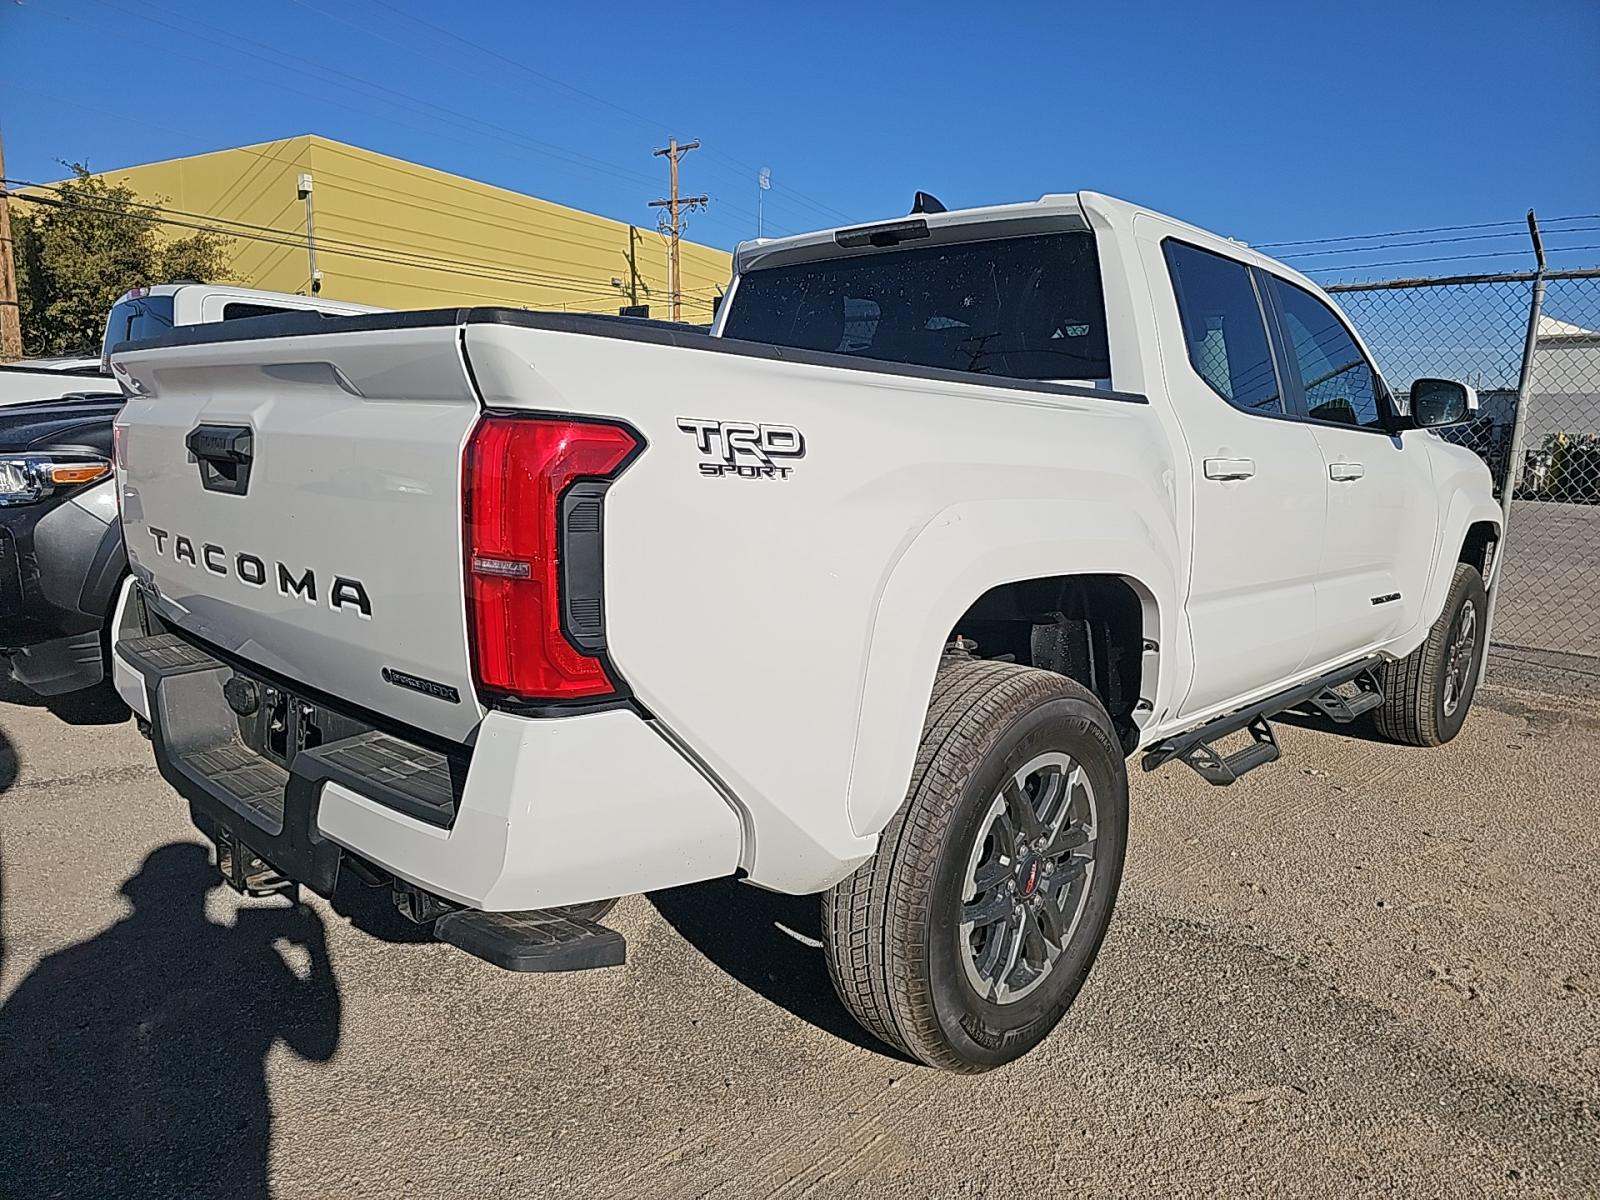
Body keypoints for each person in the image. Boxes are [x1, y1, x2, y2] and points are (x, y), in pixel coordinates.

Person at [0, 842, 341, 1199]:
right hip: (222, 1158)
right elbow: (318, 1044)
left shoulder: (66, 969)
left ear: (137, 895)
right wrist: (315, 947)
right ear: (205, 891)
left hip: (104, 1160)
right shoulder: (247, 959)